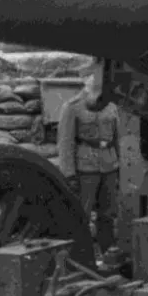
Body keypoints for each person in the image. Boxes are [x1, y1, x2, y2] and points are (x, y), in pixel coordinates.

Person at [57, 76, 121, 259]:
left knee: (108, 214)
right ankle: (82, 255)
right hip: (85, 168)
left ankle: (108, 253)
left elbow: (117, 138)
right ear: (87, 85)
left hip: (109, 165)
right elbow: (65, 142)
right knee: (82, 214)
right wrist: (68, 173)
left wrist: (122, 166)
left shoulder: (111, 105)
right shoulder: (73, 107)